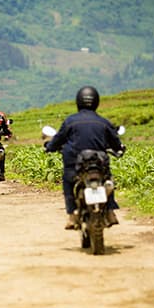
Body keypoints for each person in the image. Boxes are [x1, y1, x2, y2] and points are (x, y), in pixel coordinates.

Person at [44, 86, 125, 230]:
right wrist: (119, 148)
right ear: (96, 102)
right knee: (107, 180)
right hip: (99, 163)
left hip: (75, 164)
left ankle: (73, 214)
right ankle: (111, 211)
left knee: (68, 183)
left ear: (78, 101)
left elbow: (58, 139)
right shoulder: (103, 122)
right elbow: (116, 143)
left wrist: (49, 147)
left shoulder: (70, 121)